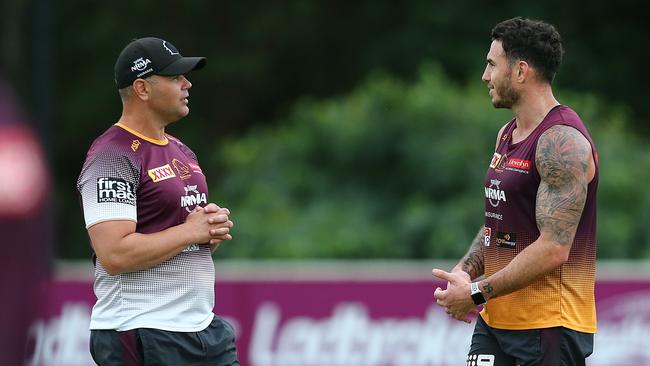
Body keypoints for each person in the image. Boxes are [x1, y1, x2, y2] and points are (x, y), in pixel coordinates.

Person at [431, 17, 598, 365]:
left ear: (521, 71)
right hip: (495, 322)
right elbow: (499, 223)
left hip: (550, 326)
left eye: (492, 64)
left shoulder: (562, 141)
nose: (485, 76)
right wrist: (465, 272)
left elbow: (553, 248)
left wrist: (475, 293)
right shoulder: (507, 134)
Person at [77, 37, 239, 365]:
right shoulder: (111, 154)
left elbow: (181, 237)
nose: (187, 83)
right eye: (175, 76)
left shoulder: (181, 150)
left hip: (204, 328)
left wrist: (209, 231)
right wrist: (192, 232)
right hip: (142, 329)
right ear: (142, 88)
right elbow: (114, 254)